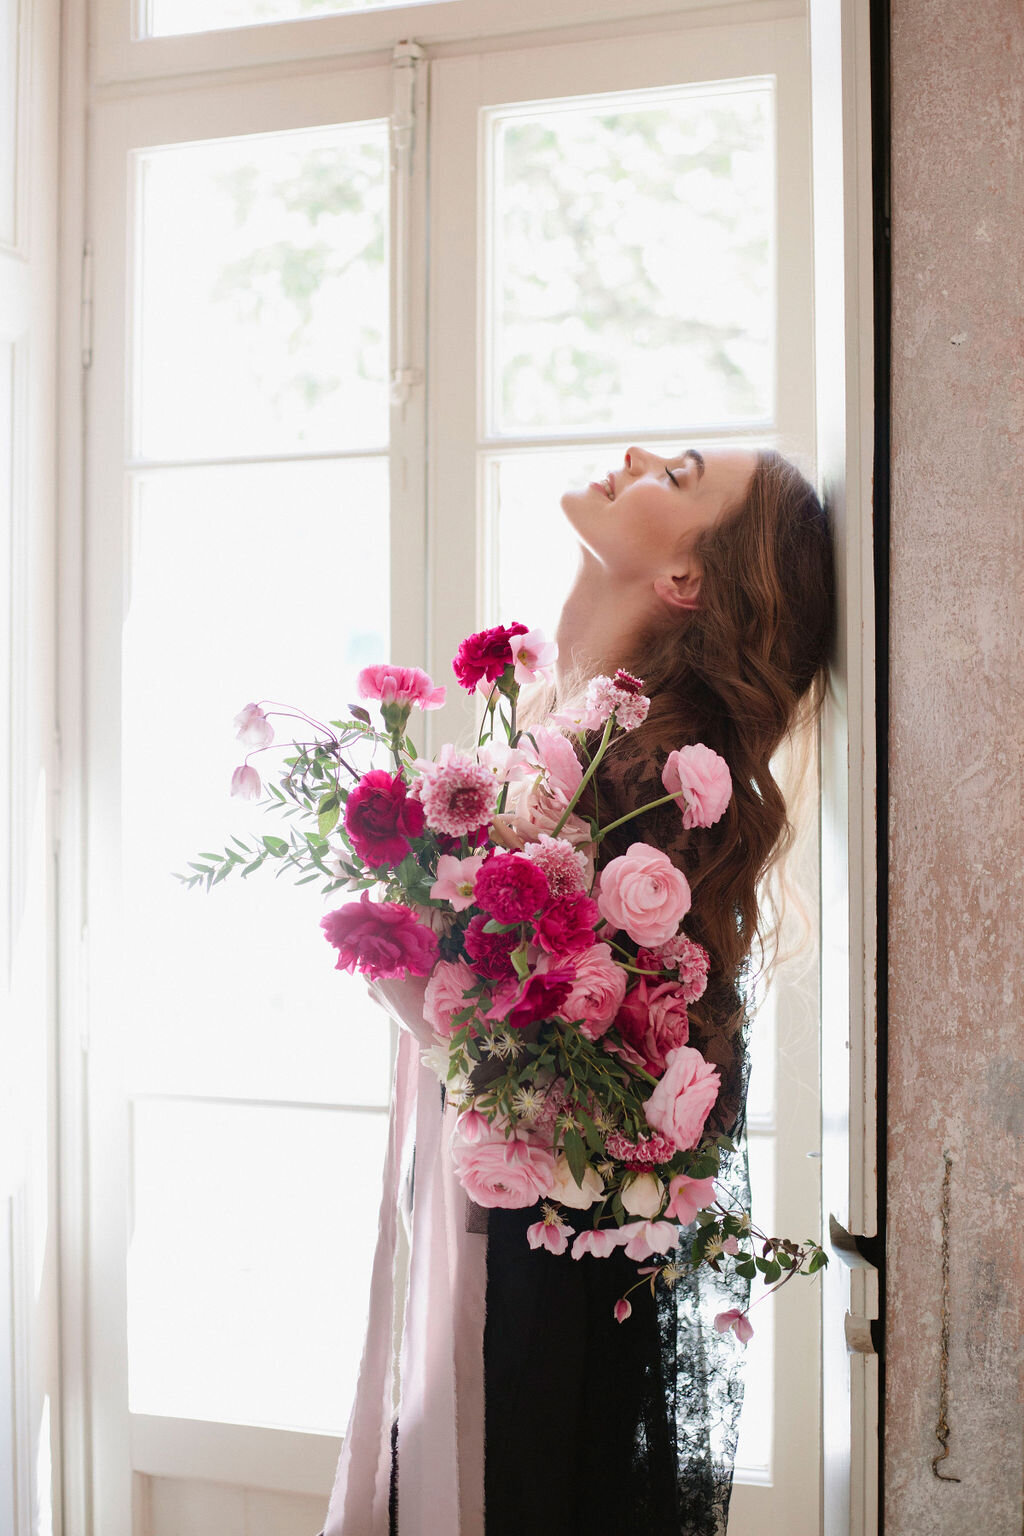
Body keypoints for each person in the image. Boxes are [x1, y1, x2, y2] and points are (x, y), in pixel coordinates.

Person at [320, 443, 834, 1536]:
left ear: (684, 582)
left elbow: (569, 1089)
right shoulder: (576, 735)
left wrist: (417, 967)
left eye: (682, 472)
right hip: (464, 1217)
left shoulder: (651, 784)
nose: (642, 455)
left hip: (523, 1274)